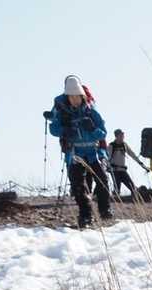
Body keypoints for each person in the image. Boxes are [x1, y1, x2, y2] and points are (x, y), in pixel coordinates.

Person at [47, 75, 111, 228]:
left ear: (82, 96)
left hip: (93, 152)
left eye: (77, 96)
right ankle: (85, 215)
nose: (74, 99)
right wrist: (65, 130)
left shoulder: (91, 112)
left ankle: (105, 210)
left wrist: (93, 129)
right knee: (77, 186)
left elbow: (103, 133)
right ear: (67, 97)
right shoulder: (63, 113)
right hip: (75, 154)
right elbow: (53, 129)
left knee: (102, 181)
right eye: (71, 97)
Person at [107, 129, 144, 200]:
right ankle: (115, 201)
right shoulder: (112, 145)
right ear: (116, 136)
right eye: (120, 135)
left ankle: (134, 200)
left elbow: (132, 154)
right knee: (117, 189)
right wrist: (108, 167)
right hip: (114, 170)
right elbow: (107, 157)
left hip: (123, 170)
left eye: (123, 135)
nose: (122, 136)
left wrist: (140, 163)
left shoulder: (124, 145)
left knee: (132, 187)